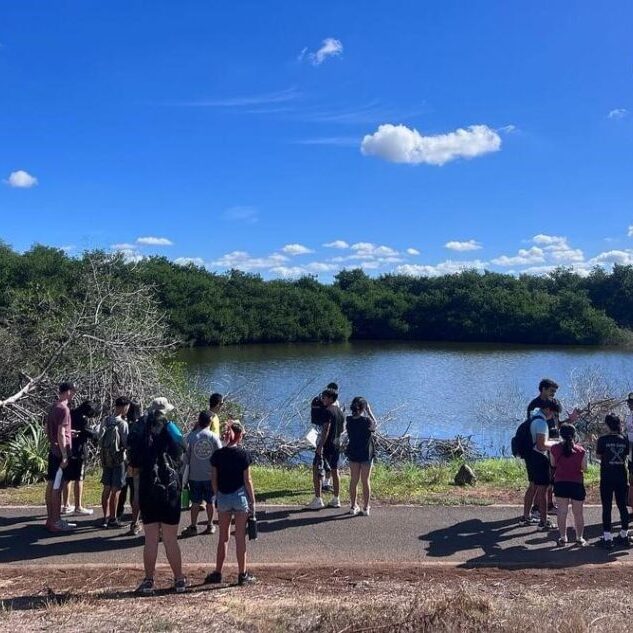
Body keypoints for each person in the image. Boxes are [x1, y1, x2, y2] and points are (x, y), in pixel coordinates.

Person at [135, 397, 187, 594]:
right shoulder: (170, 428)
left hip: (148, 487)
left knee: (150, 538)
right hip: (169, 489)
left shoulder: (142, 428)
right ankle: (179, 579)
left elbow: (134, 458)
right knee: (170, 538)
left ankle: (149, 580)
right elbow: (182, 448)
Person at [205, 421, 256, 586]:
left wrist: (217, 495)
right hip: (240, 497)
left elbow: (213, 479)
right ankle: (242, 574)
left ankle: (218, 572)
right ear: (240, 436)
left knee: (223, 538)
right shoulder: (244, 455)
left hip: (223, 498)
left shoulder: (218, 455)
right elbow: (247, 481)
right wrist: (252, 501)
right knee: (240, 537)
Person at [526, 378, 579, 517]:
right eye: (551, 391)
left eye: (555, 391)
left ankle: (548, 505)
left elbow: (557, 425)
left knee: (551, 479)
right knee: (541, 481)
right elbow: (532, 428)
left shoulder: (554, 404)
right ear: (543, 389)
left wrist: (570, 421)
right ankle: (537, 508)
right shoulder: (535, 406)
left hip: (554, 444)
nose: (554, 394)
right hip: (542, 447)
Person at [181, 411, 222, 537]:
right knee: (210, 502)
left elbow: (185, 458)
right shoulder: (214, 437)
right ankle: (210, 525)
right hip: (210, 476)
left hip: (194, 476)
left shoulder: (191, 437)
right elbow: (220, 455)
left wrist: (184, 476)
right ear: (210, 422)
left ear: (199, 421)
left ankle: (193, 526)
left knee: (195, 502)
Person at [45, 382, 77, 532]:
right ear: (69, 391)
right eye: (73, 391)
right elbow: (60, 433)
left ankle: (50, 518)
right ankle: (56, 521)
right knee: (57, 487)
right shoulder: (64, 409)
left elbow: (47, 429)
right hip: (60, 454)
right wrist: (64, 455)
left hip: (53, 450)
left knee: (51, 485)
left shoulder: (54, 406)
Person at [596, 414, 631, 549]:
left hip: (607, 476)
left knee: (607, 506)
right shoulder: (624, 439)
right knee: (622, 506)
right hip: (621, 476)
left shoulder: (603, 440)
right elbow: (625, 454)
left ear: (607, 425)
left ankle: (607, 537)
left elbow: (599, 455)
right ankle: (624, 534)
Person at [525, 399, 560, 532]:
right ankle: (544, 521)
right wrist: (556, 444)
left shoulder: (534, 417)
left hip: (530, 456)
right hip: (539, 458)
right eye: (553, 414)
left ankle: (526, 517)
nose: (553, 417)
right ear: (548, 410)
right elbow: (541, 446)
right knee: (543, 490)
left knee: (533, 486)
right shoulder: (541, 423)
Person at [307, 388, 345, 509]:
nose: (322, 399)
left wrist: (320, 446)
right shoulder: (340, 411)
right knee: (335, 471)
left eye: (324, 397)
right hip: (336, 444)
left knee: (316, 469)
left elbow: (326, 429)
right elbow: (342, 429)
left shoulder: (327, 411)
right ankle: (336, 499)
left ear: (330, 398)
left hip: (326, 446)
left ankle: (318, 499)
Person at [549, 424, 587, 547]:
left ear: (561, 435)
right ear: (574, 435)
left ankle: (562, 537)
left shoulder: (554, 449)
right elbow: (584, 468)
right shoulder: (580, 451)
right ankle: (579, 537)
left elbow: (553, 464)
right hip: (576, 483)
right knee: (578, 513)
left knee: (562, 511)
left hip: (560, 483)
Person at [61, 400, 99, 516]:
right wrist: (96, 430)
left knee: (67, 478)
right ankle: (78, 506)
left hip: (68, 449)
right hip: (80, 451)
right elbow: (92, 434)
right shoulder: (83, 419)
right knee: (79, 478)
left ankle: (66, 505)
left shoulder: (70, 413)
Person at [99, 396, 130, 528]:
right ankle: (113, 518)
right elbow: (126, 443)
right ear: (123, 407)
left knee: (106, 488)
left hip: (106, 459)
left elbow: (99, 438)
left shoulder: (106, 420)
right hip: (118, 459)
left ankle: (105, 518)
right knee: (116, 489)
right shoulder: (122, 423)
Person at [345, 397, 377, 516]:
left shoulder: (348, 420)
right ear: (364, 408)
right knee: (365, 480)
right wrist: (370, 411)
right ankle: (366, 507)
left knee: (354, 480)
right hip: (365, 453)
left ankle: (353, 506)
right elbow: (374, 426)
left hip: (353, 451)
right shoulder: (367, 421)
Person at [116, 401, 143, 535]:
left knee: (124, 488)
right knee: (135, 491)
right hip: (136, 463)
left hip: (127, 461)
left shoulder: (127, 424)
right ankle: (136, 518)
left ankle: (119, 513)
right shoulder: (139, 425)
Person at [624, 393, 633, 508]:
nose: (630, 405)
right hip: (630, 452)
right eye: (629, 402)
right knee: (631, 479)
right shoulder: (629, 417)